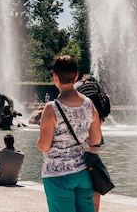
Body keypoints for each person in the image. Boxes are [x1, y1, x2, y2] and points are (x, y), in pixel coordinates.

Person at [37, 55, 102, 212]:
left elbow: (44, 146)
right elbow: (96, 139)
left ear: (55, 77)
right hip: (83, 173)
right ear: (77, 76)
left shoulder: (51, 108)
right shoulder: (88, 104)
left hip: (57, 175)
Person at [75, 72, 110, 212]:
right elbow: (105, 114)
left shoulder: (78, 90)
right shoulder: (99, 93)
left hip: (80, 141)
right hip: (95, 143)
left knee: (79, 183)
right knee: (95, 182)